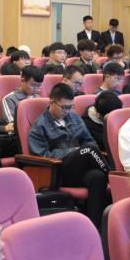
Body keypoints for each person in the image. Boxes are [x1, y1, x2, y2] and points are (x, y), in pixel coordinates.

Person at [28, 83, 109, 226]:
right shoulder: (39, 126)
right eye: (64, 107)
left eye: (70, 107)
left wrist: (79, 152)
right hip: (58, 172)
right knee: (89, 150)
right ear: (52, 102)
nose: (67, 111)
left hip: (80, 167)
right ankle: (113, 177)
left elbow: (90, 141)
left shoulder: (75, 118)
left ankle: (94, 226)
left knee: (98, 176)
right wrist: (73, 151)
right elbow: (42, 154)